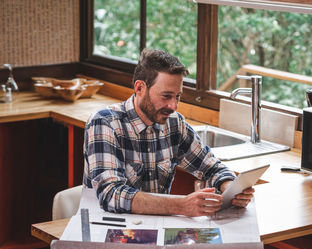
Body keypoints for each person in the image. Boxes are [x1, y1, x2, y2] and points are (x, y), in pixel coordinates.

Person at [83, 49, 254, 217]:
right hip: (107, 229)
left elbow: (211, 167)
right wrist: (181, 205)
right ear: (140, 88)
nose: (173, 106)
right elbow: (111, 195)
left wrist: (230, 187)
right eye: (166, 96)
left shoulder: (174, 123)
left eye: (178, 96)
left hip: (157, 230)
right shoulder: (105, 123)